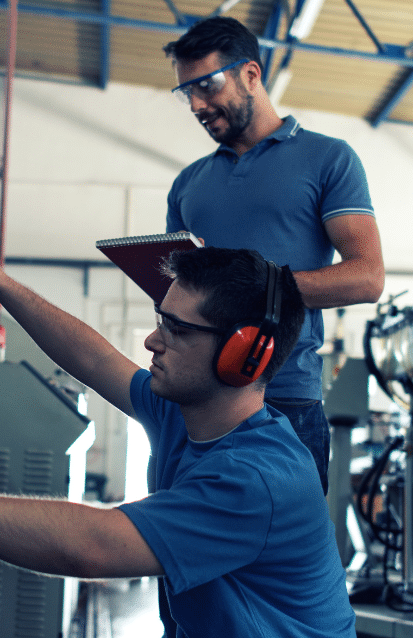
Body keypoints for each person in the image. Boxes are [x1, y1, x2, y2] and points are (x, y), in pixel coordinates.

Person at [0, 221, 355, 638]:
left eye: (177, 330)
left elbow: (90, 544)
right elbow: (92, 357)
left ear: (243, 357)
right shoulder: (184, 411)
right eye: (162, 320)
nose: (154, 341)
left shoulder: (259, 478)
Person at [164, 16, 385, 494]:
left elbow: (367, 278)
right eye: (187, 93)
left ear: (251, 74)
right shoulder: (187, 185)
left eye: (207, 85)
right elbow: (171, 289)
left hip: (284, 402)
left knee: (284, 564)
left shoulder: (329, 159)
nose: (198, 105)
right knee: (186, 562)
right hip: (194, 403)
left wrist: (254, 291)